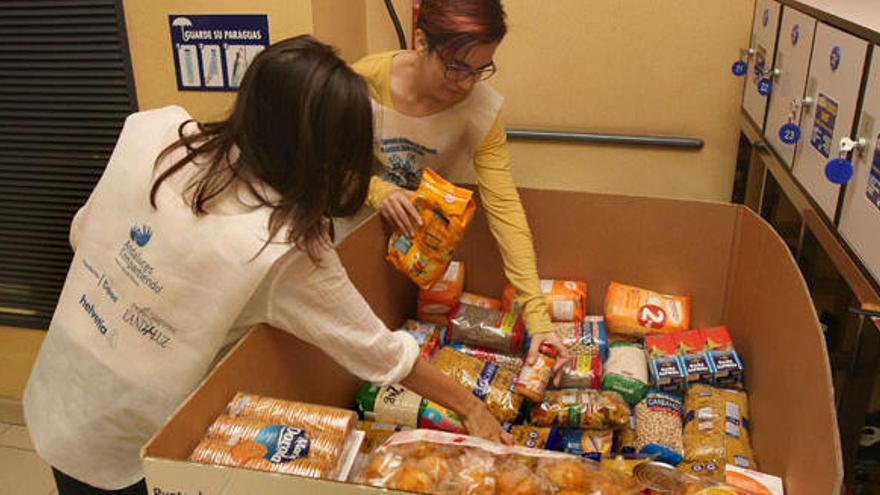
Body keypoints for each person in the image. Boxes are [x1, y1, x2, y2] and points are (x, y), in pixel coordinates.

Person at [23, 35, 506, 495]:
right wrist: (470, 406)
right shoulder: (281, 244)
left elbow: (81, 231)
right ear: (326, 154)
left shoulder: (154, 129)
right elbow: (380, 352)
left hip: (57, 386)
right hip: (125, 436)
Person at [353, 0, 570, 371]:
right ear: (421, 42)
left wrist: (537, 320)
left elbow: (504, 206)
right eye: (455, 68)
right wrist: (379, 192)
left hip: (413, 247)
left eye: (480, 69)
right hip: (351, 229)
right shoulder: (363, 82)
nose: (467, 83)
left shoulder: (481, 109)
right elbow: (323, 168)